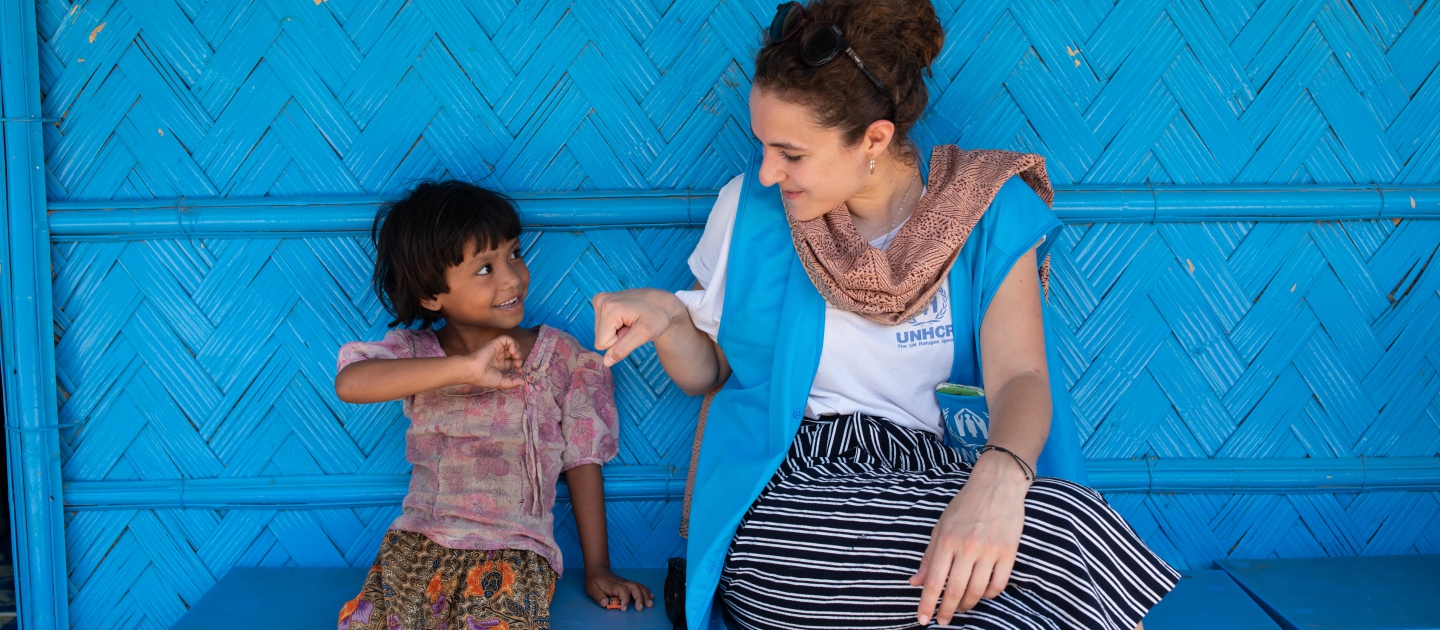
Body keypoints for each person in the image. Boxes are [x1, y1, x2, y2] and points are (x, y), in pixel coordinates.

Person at [590, 1, 1178, 629]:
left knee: (1074, 523)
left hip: (939, 473)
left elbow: (1021, 380)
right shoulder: (752, 210)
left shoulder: (983, 209)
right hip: (800, 494)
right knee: (1024, 586)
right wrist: (671, 319)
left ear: (873, 138)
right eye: (762, 146)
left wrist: (997, 484)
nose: (767, 171)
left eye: (790, 153)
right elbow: (714, 374)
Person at [333, 181, 653, 630]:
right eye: (485, 269)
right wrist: (464, 369)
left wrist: (597, 566)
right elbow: (351, 382)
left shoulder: (559, 356)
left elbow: (582, 460)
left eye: (514, 253)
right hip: (417, 548)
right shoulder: (415, 353)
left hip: (513, 551)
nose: (512, 277)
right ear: (431, 295)